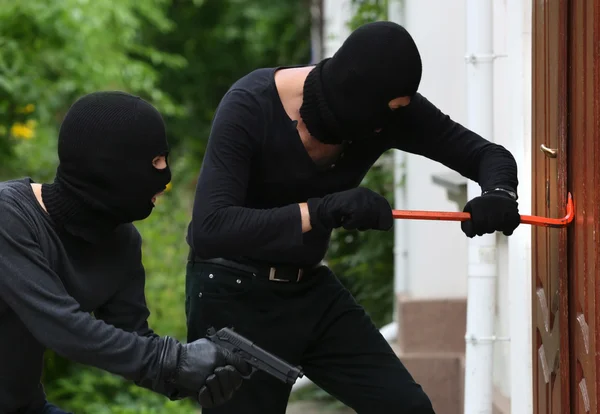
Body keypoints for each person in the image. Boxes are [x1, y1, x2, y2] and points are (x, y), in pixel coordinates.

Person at [184, 21, 520, 414]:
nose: (384, 127)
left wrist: (498, 193)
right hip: (231, 293)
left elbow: (488, 155)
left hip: (307, 290)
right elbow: (211, 228)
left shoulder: (386, 107)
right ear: (351, 98)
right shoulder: (249, 106)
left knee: (408, 408)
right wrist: (322, 210)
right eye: (383, 116)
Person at [0, 91, 252, 414]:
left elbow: (131, 341)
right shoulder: (10, 217)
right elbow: (63, 327)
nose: (166, 177)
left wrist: (194, 378)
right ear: (107, 167)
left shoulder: (121, 241)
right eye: (155, 161)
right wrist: (173, 361)